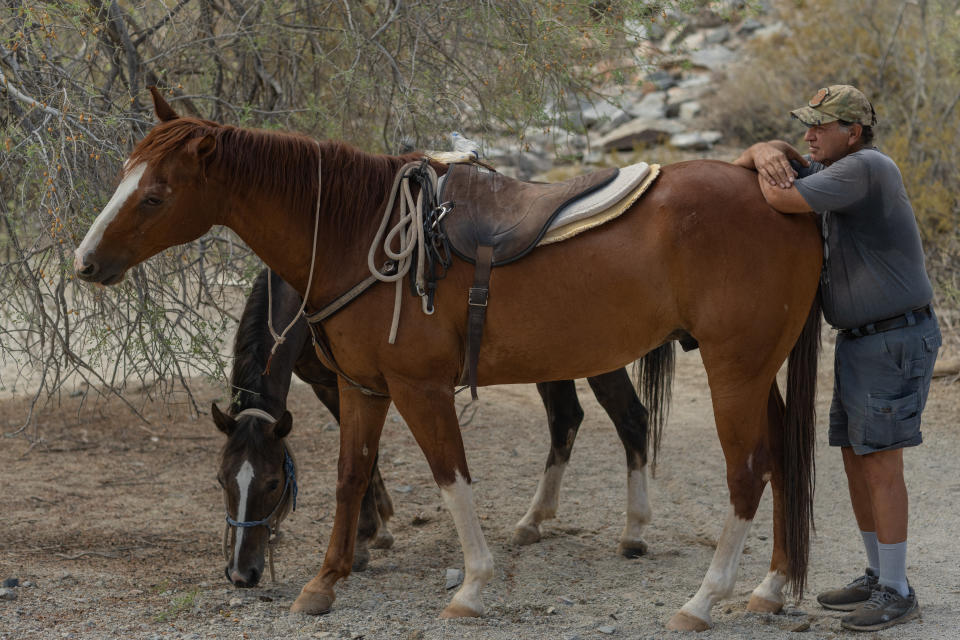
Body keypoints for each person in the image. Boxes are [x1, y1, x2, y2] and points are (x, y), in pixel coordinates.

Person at [732, 84, 941, 631]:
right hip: (862, 339)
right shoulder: (838, 173)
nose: (809, 136)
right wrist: (760, 150)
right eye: (806, 126)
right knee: (855, 458)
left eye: (820, 127)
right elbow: (742, 171)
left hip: (892, 338)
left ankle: (897, 590)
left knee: (879, 462)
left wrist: (767, 158)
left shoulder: (866, 167)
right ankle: (878, 576)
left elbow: (777, 198)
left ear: (853, 131)